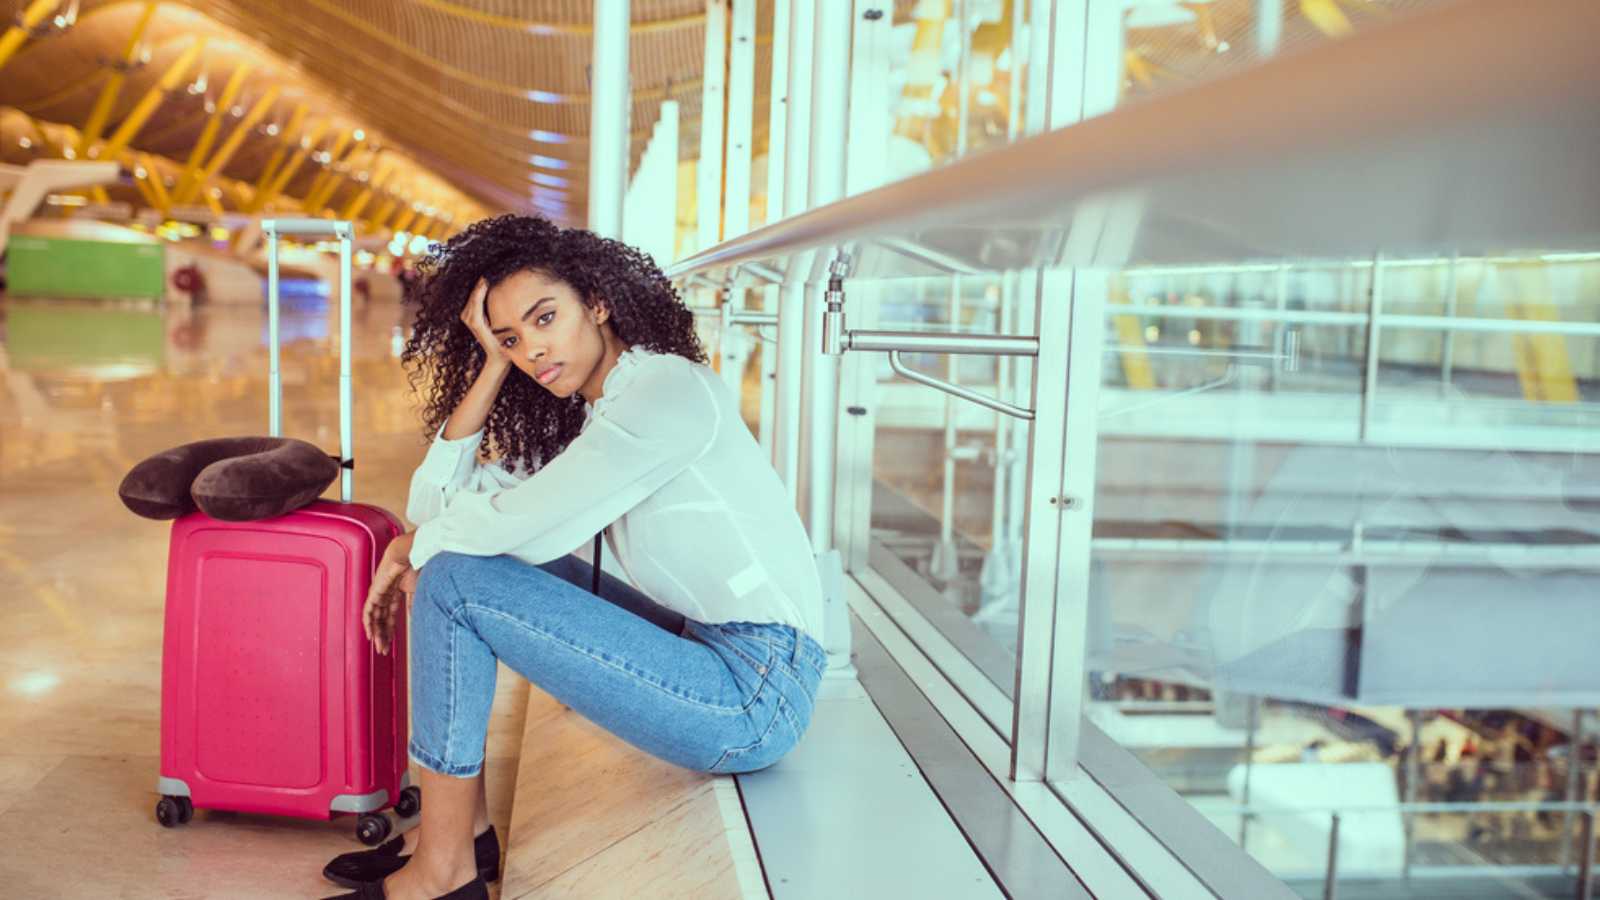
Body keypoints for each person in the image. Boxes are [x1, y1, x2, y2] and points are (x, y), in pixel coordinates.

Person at [320, 215, 828, 900]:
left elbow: (519, 528)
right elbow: (436, 509)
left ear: (597, 301)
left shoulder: (665, 393)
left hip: (754, 693)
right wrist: (491, 367)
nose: (534, 348)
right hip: (712, 652)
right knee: (450, 566)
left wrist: (414, 549)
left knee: (453, 579)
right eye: (510, 337)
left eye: (544, 318)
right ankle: (459, 838)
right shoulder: (597, 409)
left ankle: (442, 876)